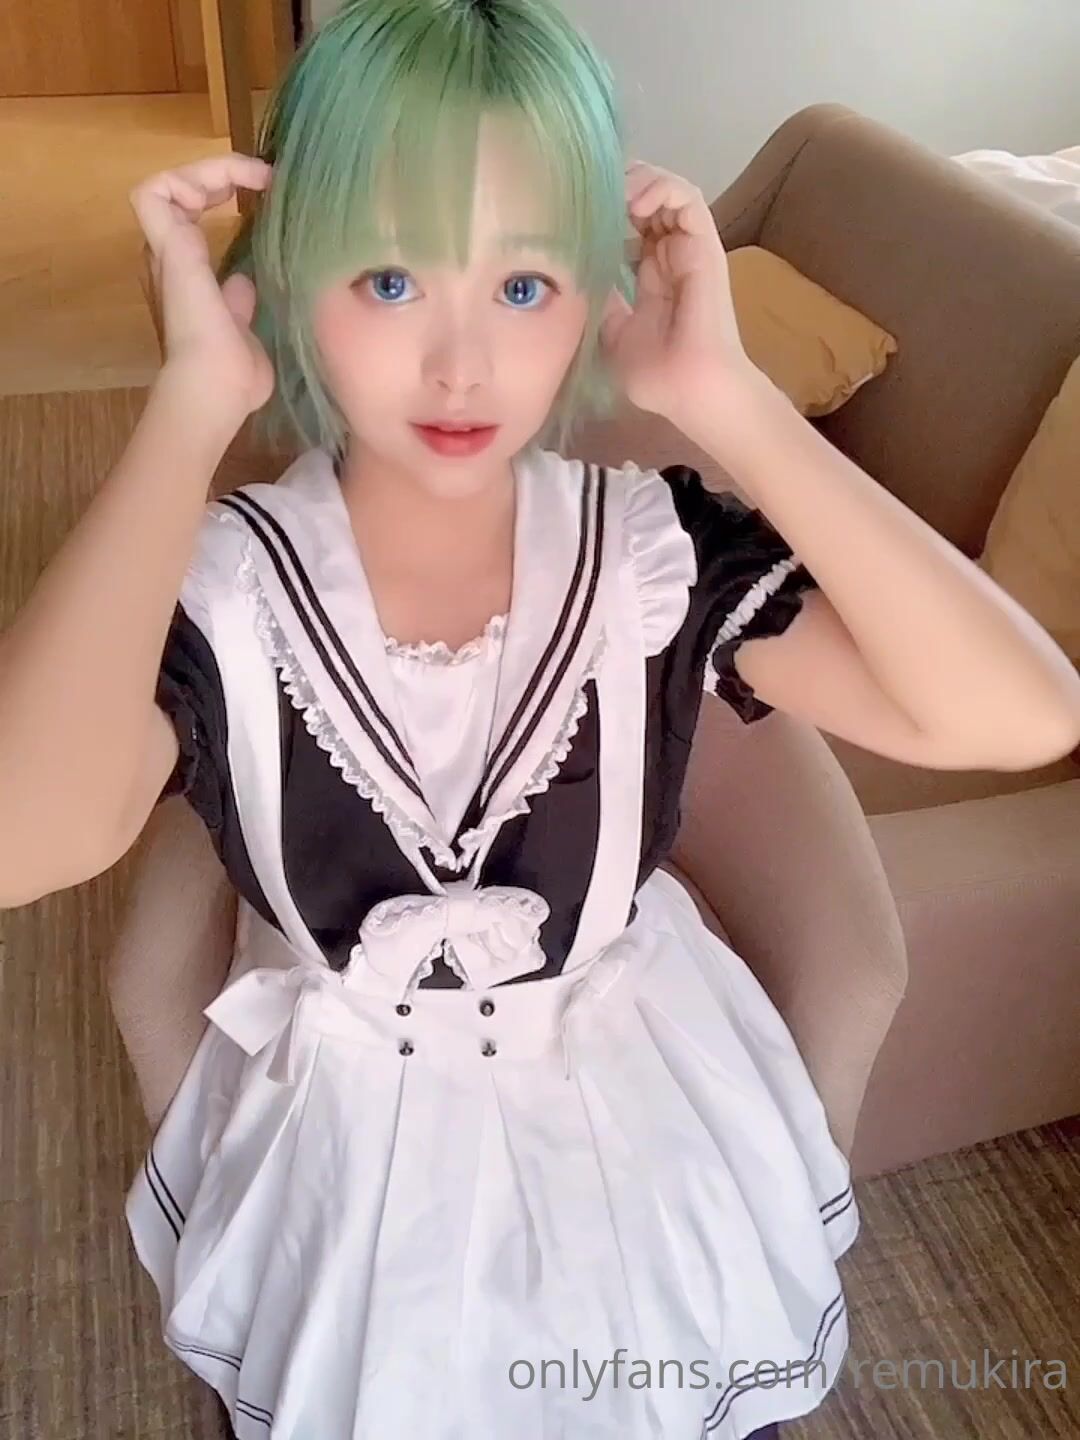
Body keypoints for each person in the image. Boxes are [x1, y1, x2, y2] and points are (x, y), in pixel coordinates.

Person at [1, 1, 1078, 1436]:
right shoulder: (221, 590)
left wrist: (728, 399)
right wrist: (188, 410)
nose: (463, 366)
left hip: (634, 1126)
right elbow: (25, 840)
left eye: (523, 284)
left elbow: (1022, 714)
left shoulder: (652, 554)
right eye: (390, 278)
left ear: (591, 291)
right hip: (352, 1166)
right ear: (290, 279)